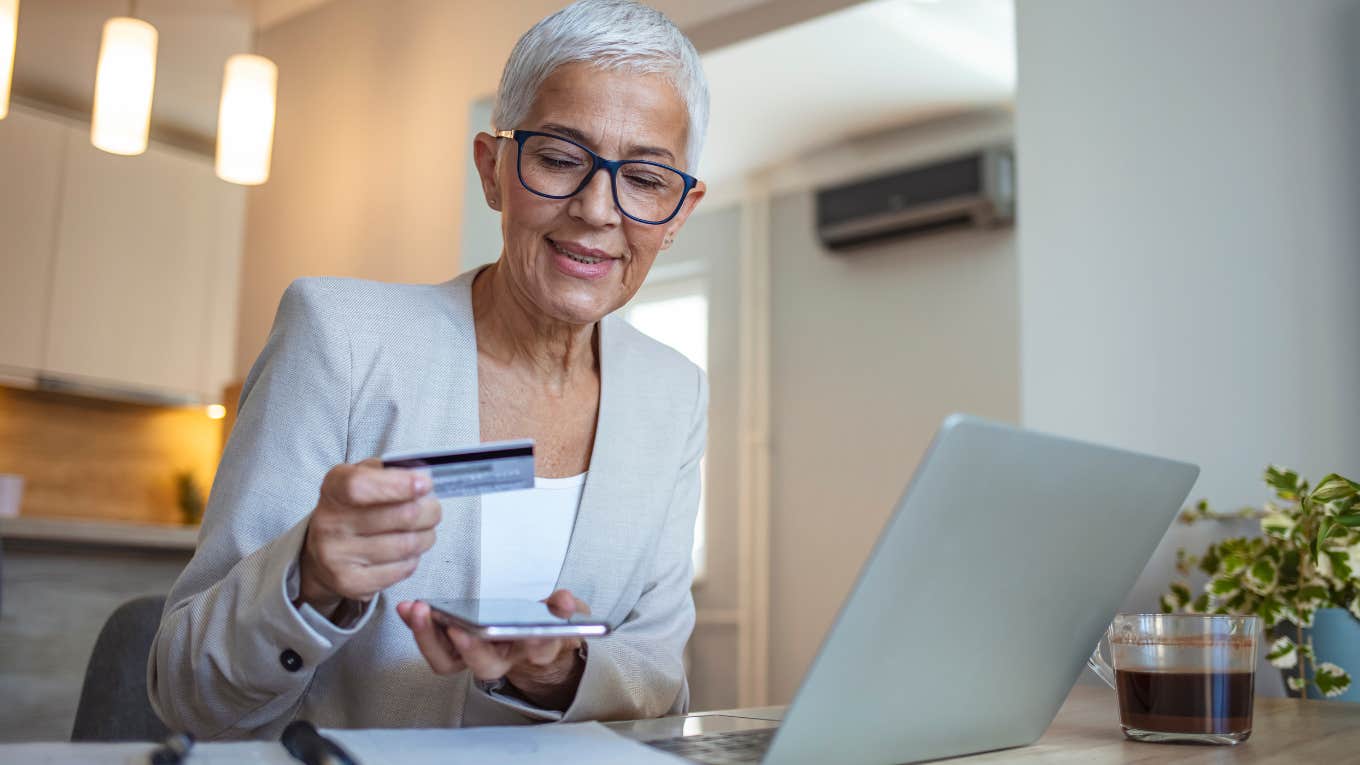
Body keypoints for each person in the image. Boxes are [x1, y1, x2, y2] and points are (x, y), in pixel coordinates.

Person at [148, 0, 709, 739]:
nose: (597, 209)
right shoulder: (341, 338)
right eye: (559, 159)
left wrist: (556, 668)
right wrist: (308, 579)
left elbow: (659, 678)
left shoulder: (674, 392)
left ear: (678, 213)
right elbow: (184, 688)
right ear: (493, 169)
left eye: (644, 178)